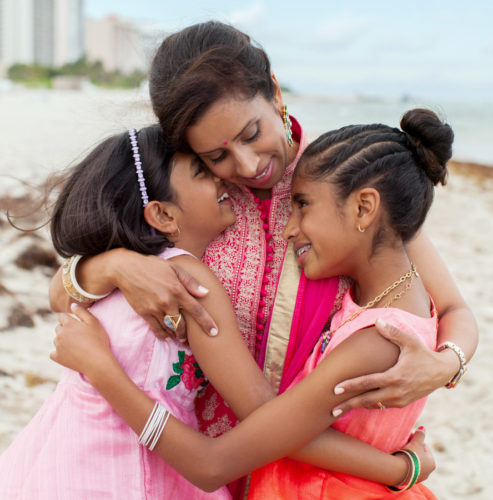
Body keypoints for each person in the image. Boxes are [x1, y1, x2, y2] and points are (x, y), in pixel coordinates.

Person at [48, 20, 476, 495]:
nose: (248, 166)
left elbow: (453, 307)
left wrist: (447, 364)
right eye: (216, 154)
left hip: (305, 463)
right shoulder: (200, 201)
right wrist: (110, 265)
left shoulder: (342, 181)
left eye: (252, 132)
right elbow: (65, 295)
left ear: (273, 90)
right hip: (196, 461)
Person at [0, 125, 426, 498]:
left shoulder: (121, 270)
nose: (226, 175)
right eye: (205, 170)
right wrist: (401, 469)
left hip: (53, 463)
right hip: (129, 474)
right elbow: (256, 423)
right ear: (163, 213)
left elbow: (64, 296)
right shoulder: (181, 280)